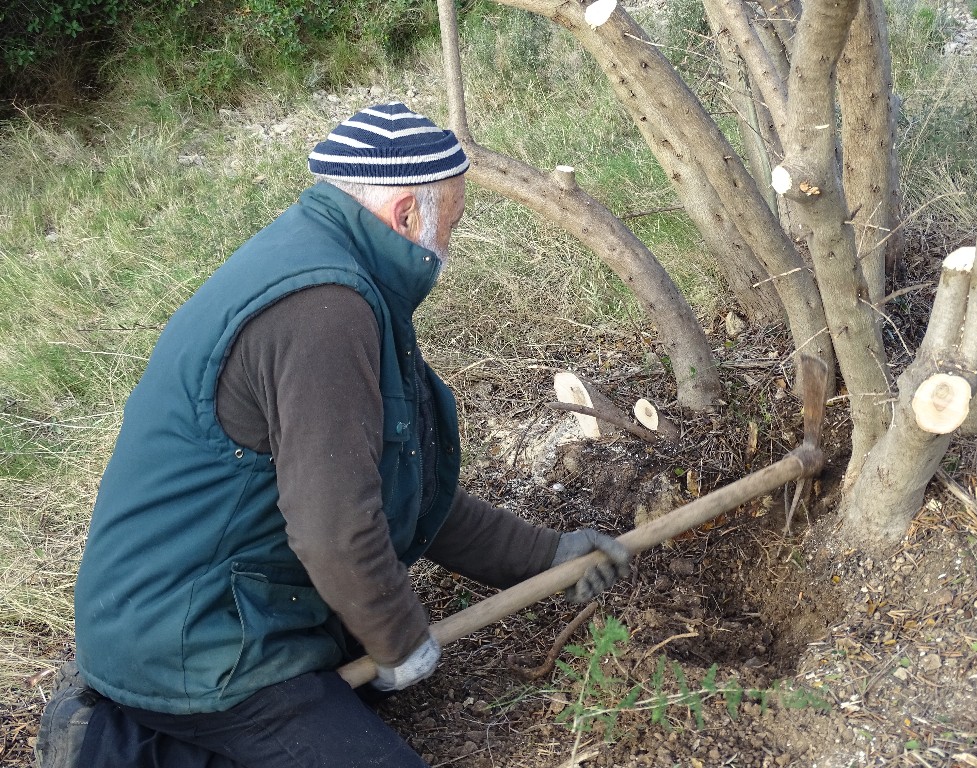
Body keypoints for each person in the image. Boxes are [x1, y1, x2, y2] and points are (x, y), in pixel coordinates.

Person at [35, 102, 632, 768]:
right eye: (451, 225)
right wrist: (400, 641)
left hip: (211, 599)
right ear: (407, 215)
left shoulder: (327, 264)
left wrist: (544, 555)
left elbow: (404, 490)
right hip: (195, 638)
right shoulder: (325, 310)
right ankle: (113, 742)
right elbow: (336, 529)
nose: (449, 247)